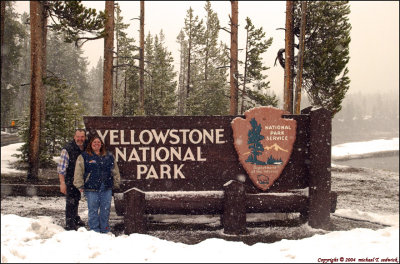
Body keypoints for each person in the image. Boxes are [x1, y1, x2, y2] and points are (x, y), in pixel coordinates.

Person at [73, 135, 120, 234]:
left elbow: (115, 170)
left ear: (101, 144)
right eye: (94, 142)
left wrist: (116, 183)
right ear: (90, 144)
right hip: (91, 187)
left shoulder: (109, 156)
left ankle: (105, 229)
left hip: (106, 186)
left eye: (98, 142)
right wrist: (79, 185)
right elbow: (78, 172)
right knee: (93, 209)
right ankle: (94, 230)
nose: (96, 144)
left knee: (105, 209)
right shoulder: (84, 156)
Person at [57, 129, 88, 231]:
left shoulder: (86, 146)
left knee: (77, 199)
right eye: (78, 137)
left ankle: (75, 218)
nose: (80, 139)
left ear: (85, 137)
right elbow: (61, 169)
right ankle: (70, 224)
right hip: (70, 179)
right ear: (74, 137)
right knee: (71, 201)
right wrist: (62, 183)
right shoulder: (67, 149)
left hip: (81, 179)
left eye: (82, 137)